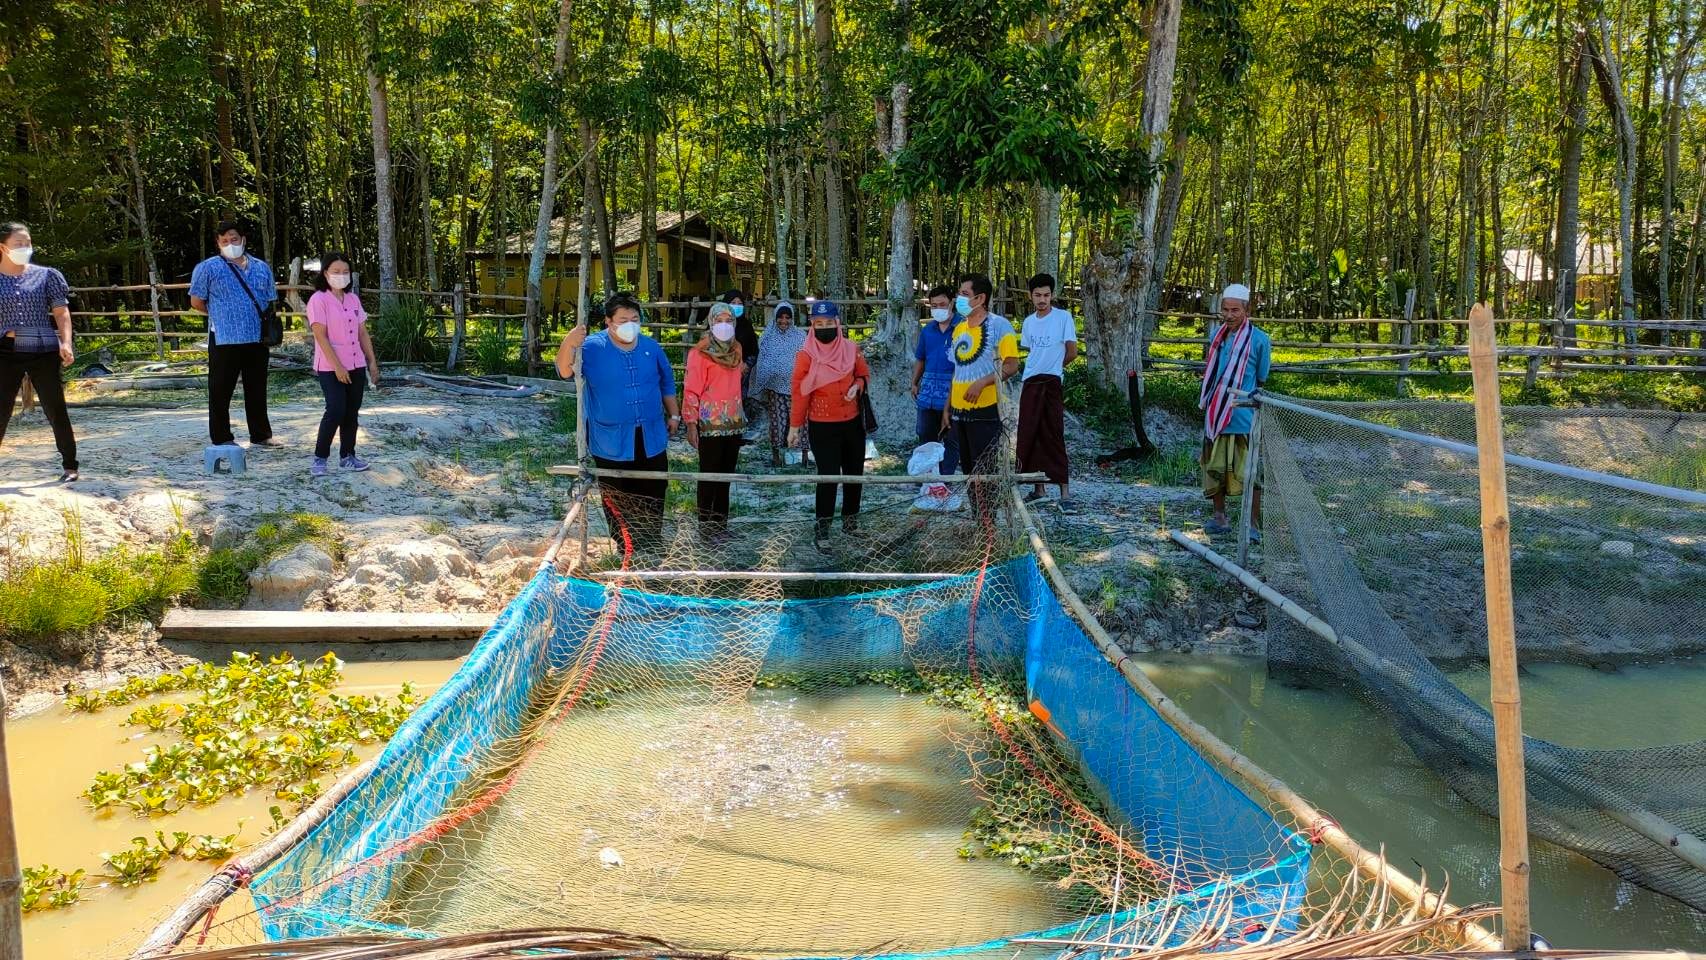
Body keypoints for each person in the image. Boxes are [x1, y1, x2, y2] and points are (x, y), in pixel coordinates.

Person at [556, 292, 680, 551]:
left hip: (651, 435)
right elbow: (565, 371)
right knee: (616, 492)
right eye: (623, 319)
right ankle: (625, 545)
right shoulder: (591, 348)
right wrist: (569, 342)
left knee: (653, 489)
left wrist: (675, 415)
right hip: (610, 438)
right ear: (608, 322)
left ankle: (651, 541)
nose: (630, 324)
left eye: (635, 318)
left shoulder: (650, 347)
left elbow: (666, 382)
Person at [190, 219, 280, 449]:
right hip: (224, 338)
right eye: (224, 241)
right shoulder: (207, 268)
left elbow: (270, 299)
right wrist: (222, 314)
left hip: (256, 338)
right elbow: (197, 301)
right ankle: (221, 437)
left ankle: (261, 435)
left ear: (243, 240)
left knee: (257, 389)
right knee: (220, 389)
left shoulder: (261, 267)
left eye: (234, 239)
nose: (230, 244)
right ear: (218, 243)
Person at [788, 299, 870, 550]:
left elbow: (862, 373)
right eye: (818, 323)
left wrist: (857, 386)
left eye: (829, 323)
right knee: (828, 477)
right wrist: (794, 426)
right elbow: (800, 392)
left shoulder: (850, 348)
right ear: (812, 326)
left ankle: (851, 523)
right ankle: (822, 530)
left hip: (852, 422)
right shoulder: (806, 355)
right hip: (822, 425)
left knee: (854, 473)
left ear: (838, 323)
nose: (824, 327)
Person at [0, 222, 78, 482]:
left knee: (55, 407)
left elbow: (61, 311)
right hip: (5, 350)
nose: (25, 248)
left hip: (42, 348)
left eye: (28, 243)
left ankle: (70, 466)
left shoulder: (47, 275)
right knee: (1, 409)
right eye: (18, 244)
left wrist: (66, 343)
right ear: (3, 247)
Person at [944, 273, 1019, 520]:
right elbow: (957, 370)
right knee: (967, 469)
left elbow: (1011, 365)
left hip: (986, 411)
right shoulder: (959, 329)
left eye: (964, 294)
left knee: (985, 469)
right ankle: (978, 519)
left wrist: (983, 382)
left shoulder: (999, 326)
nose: (959, 299)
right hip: (959, 413)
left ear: (981, 298)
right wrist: (948, 408)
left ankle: (989, 524)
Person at [1199, 283, 1271, 538]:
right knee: (1214, 467)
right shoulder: (1216, 337)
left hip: (1243, 416)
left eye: (1235, 310)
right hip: (1216, 413)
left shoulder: (1260, 340)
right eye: (1225, 310)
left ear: (1247, 310)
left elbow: (1261, 377)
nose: (1229, 315)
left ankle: (1252, 525)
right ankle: (1220, 518)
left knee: (1250, 473)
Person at [305, 252, 379, 477]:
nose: (341, 276)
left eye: (345, 272)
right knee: (336, 409)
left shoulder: (353, 299)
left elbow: (362, 333)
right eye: (336, 272)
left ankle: (348, 456)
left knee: (351, 412)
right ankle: (320, 457)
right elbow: (321, 336)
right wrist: (337, 366)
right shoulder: (319, 300)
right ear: (325, 273)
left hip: (356, 363)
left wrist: (372, 362)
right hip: (330, 366)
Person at [1016, 272, 1079, 512]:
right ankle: (1038, 488)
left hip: (1051, 382)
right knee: (1030, 434)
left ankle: (1065, 493)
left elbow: (1071, 352)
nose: (1042, 299)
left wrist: (1054, 368)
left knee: (1053, 434)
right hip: (1030, 382)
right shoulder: (1029, 322)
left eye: (1046, 295)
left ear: (1052, 295)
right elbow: (1033, 353)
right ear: (1030, 296)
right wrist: (1040, 368)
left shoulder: (1063, 318)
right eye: (1037, 295)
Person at [684, 301, 746, 534]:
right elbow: (691, 390)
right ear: (710, 322)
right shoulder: (699, 353)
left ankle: (721, 525)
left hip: (734, 423)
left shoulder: (737, 349)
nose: (724, 325)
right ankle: (705, 526)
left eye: (728, 321)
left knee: (725, 477)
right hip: (709, 424)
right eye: (719, 321)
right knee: (709, 475)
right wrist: (691, 424)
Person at [749, 299, 804, 466]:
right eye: (781, 317)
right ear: (775, 318)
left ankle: (804, 457)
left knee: (801, 422)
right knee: (777, 422)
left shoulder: (801, 336)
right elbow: (763, 360)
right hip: (775, 389)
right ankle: (776, 457)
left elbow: (806, 359)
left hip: (797, 388)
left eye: (788, 317)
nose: (784, 321)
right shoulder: (767, 336)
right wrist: (764, 380)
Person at [911, 284, 960, 476]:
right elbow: (921, 358)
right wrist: (915, 382)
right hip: (927, 394)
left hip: (952, 392)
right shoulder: (928, 330)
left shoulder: (963, 328)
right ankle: (927, 479)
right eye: (934, 305)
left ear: (952, 303)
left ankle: (946, 480)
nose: (938, 309)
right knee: (925, 436)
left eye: (942, 304)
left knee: (951, 439)